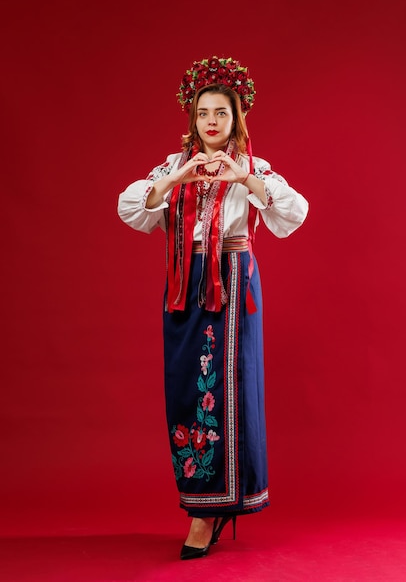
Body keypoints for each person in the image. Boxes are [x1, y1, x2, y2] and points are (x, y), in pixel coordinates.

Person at [117, 56, 309, 560]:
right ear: (192, 117)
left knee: (231, 389)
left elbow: (293, 212)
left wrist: (244, 180)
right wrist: (178, 178)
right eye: (204, 112)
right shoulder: (174, 168)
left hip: (231, 284)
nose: (211, 122)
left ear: (237, 117)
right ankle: (201, 498)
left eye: (221, 113)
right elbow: (134, 207)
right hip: (184, 287)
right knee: (187, 390)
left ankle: (210, 512)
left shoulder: (252, 167)